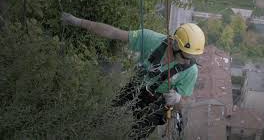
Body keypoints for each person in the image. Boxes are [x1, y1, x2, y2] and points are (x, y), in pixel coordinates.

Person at [60, 12, 205, 139]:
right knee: (107, 114)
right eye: (187, 56)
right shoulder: (151, 39)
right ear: (175, 45)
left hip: (156, 103)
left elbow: (183, 104)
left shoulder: (191, 71)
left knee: (137, 135)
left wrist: (177, 99)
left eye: (194, 56)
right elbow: (114, 33)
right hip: (137, 86)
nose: (190, 60)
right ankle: (83, 131)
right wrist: (77, 21)